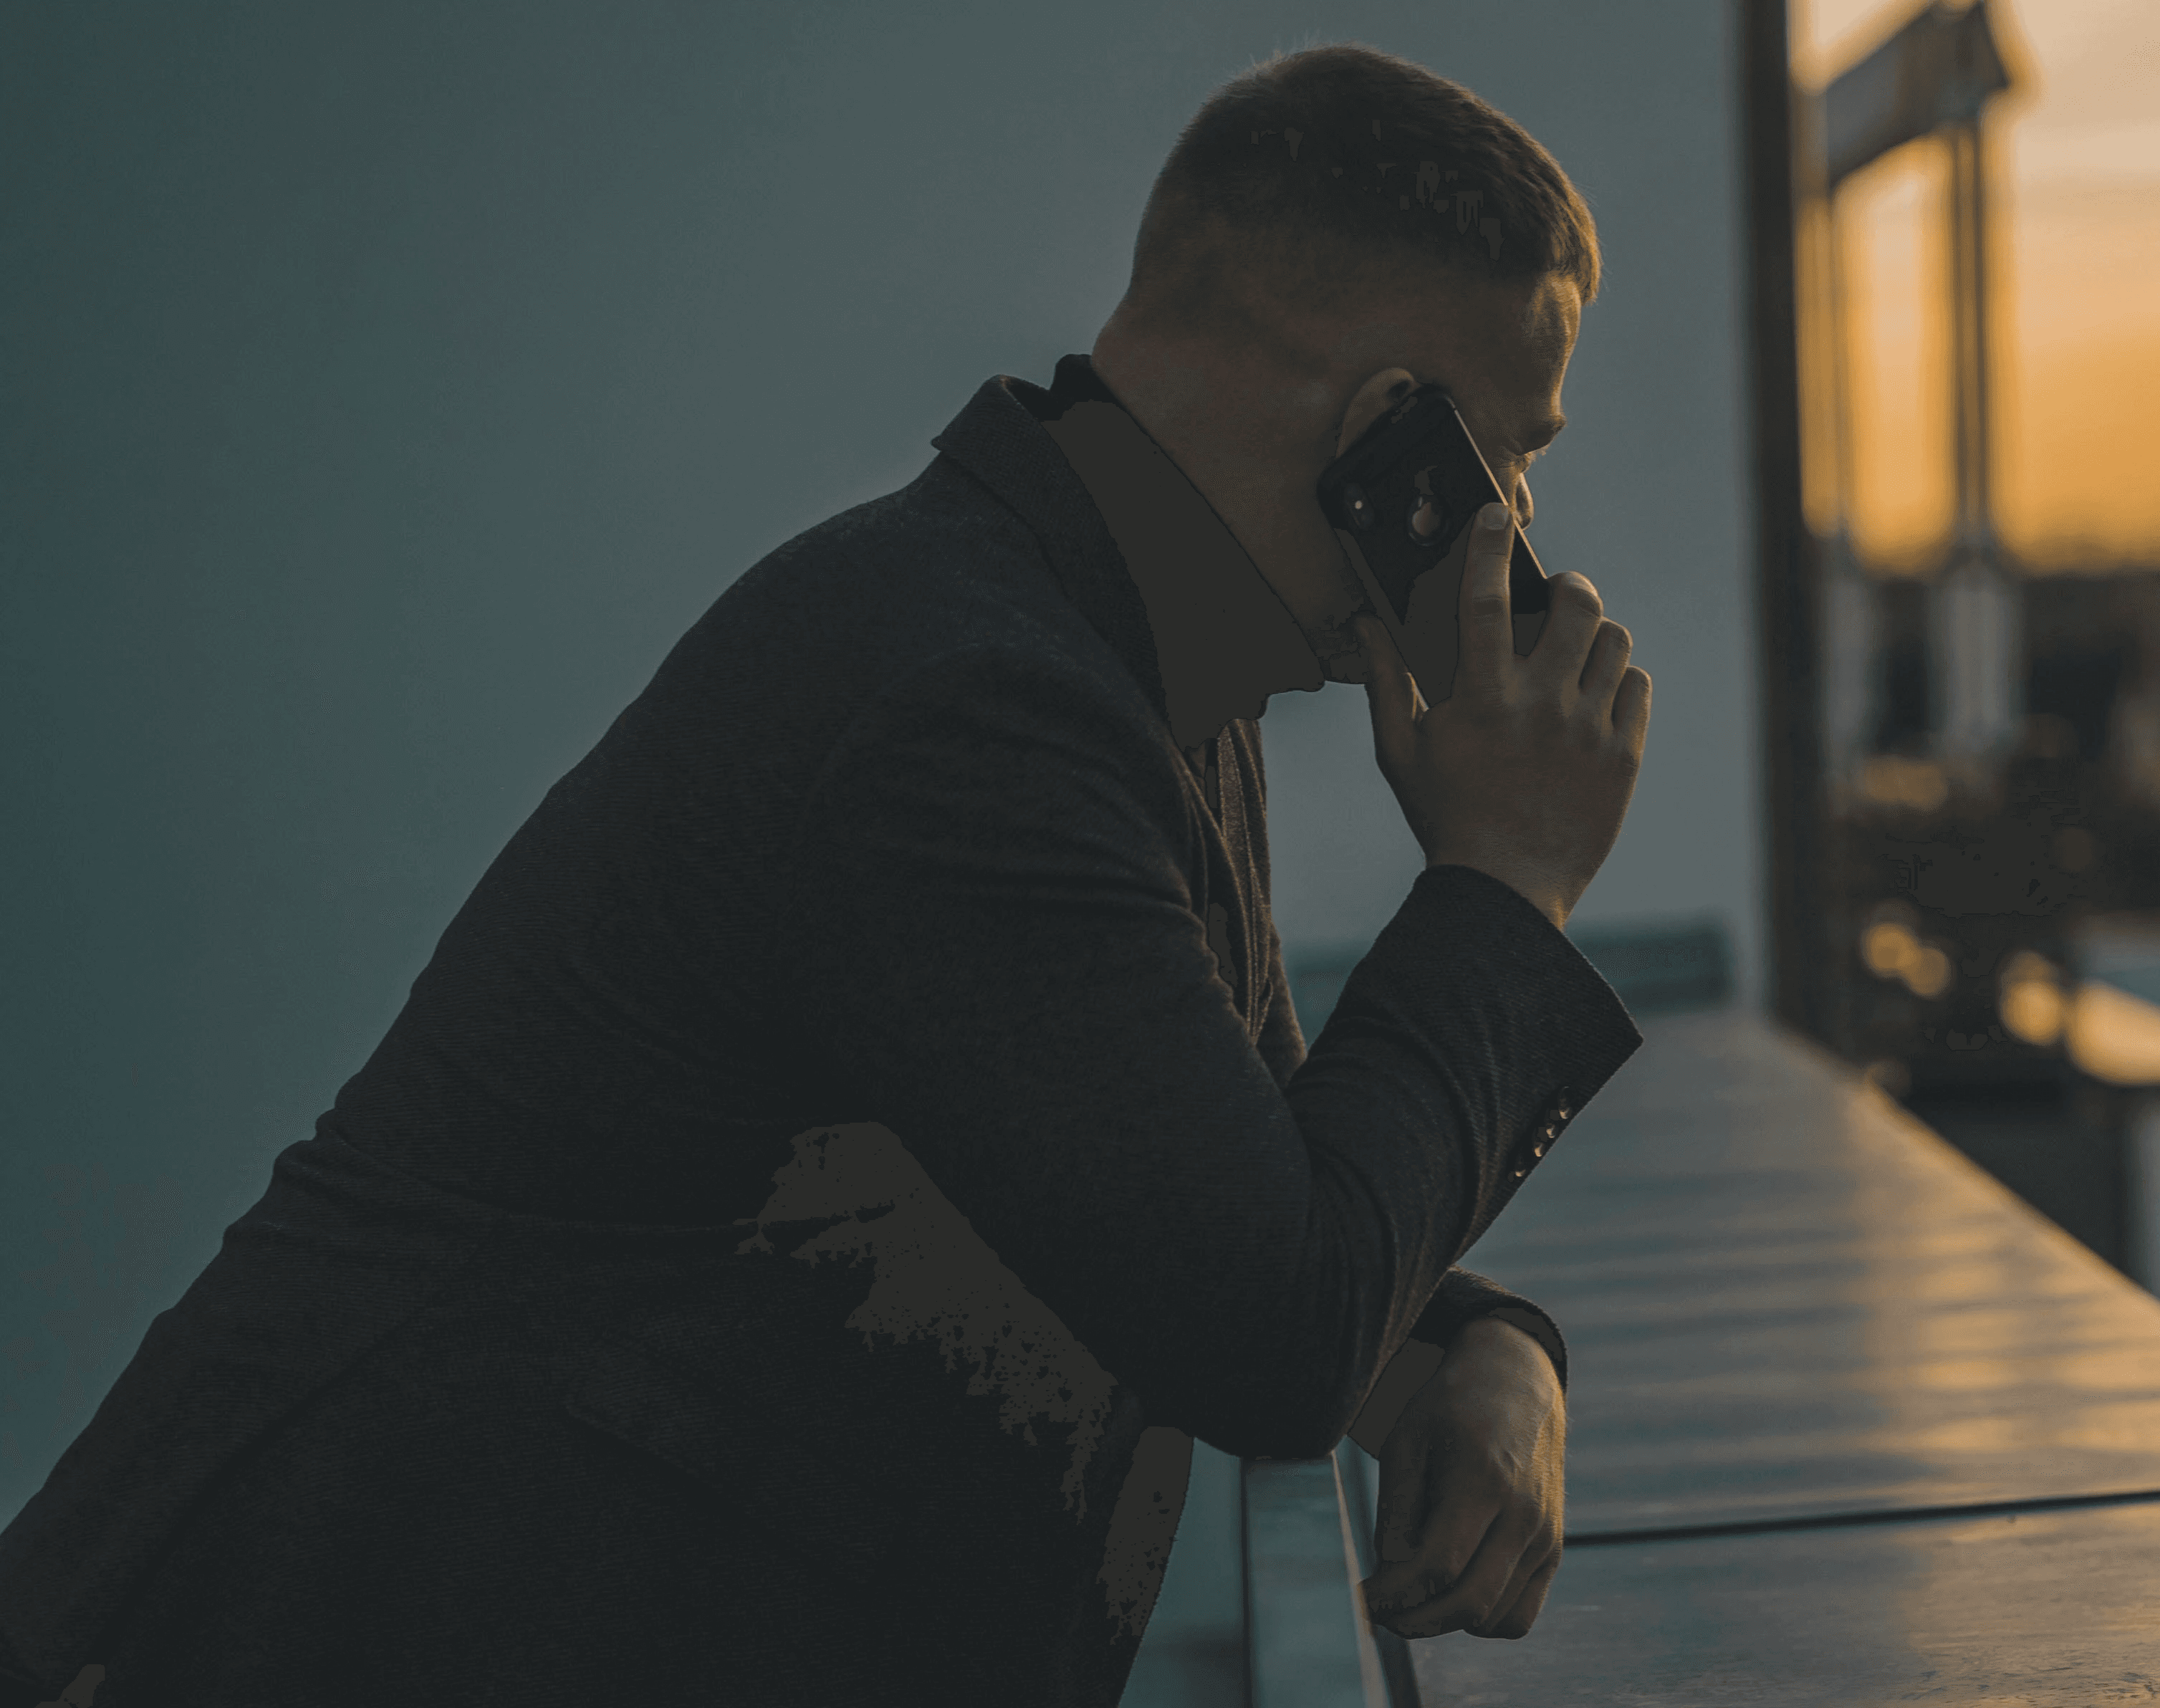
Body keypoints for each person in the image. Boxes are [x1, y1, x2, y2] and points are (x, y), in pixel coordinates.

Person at [0, 40, 1650, 1707]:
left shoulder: (1101, 659)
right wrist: (1503, 885)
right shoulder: (968, 701)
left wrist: (1485, 1346)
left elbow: (1218, 1169)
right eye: (1503, 464)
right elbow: (1267, 1326)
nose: (1511, 534)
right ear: (1387, 435)